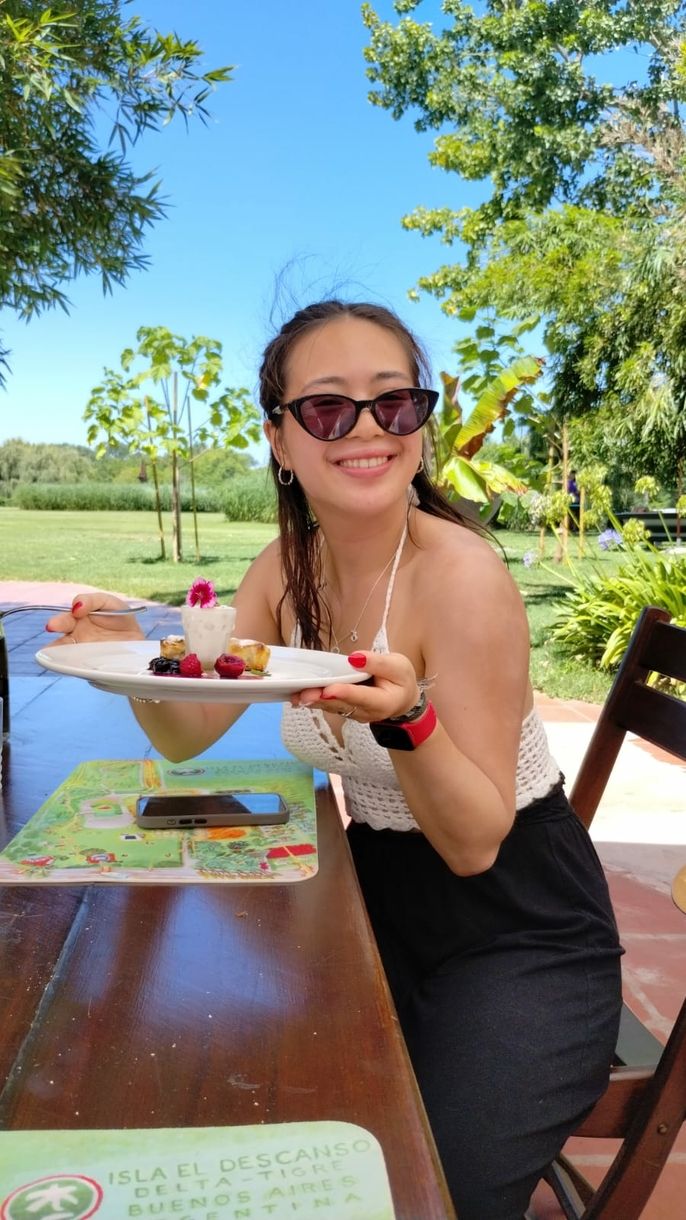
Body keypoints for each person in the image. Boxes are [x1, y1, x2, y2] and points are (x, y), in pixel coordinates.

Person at [47, 300, 622, 1220]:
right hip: (373, 901)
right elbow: (185, 732)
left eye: (394, 404)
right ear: (279, 437)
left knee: (423, 1192)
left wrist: (410, 722)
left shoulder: (461, 575)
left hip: (520, 930)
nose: (365, 429)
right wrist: (126, 651)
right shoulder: (285, 570)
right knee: (260, 1109)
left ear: (422, 428)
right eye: (327, 407)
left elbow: (476, 843)